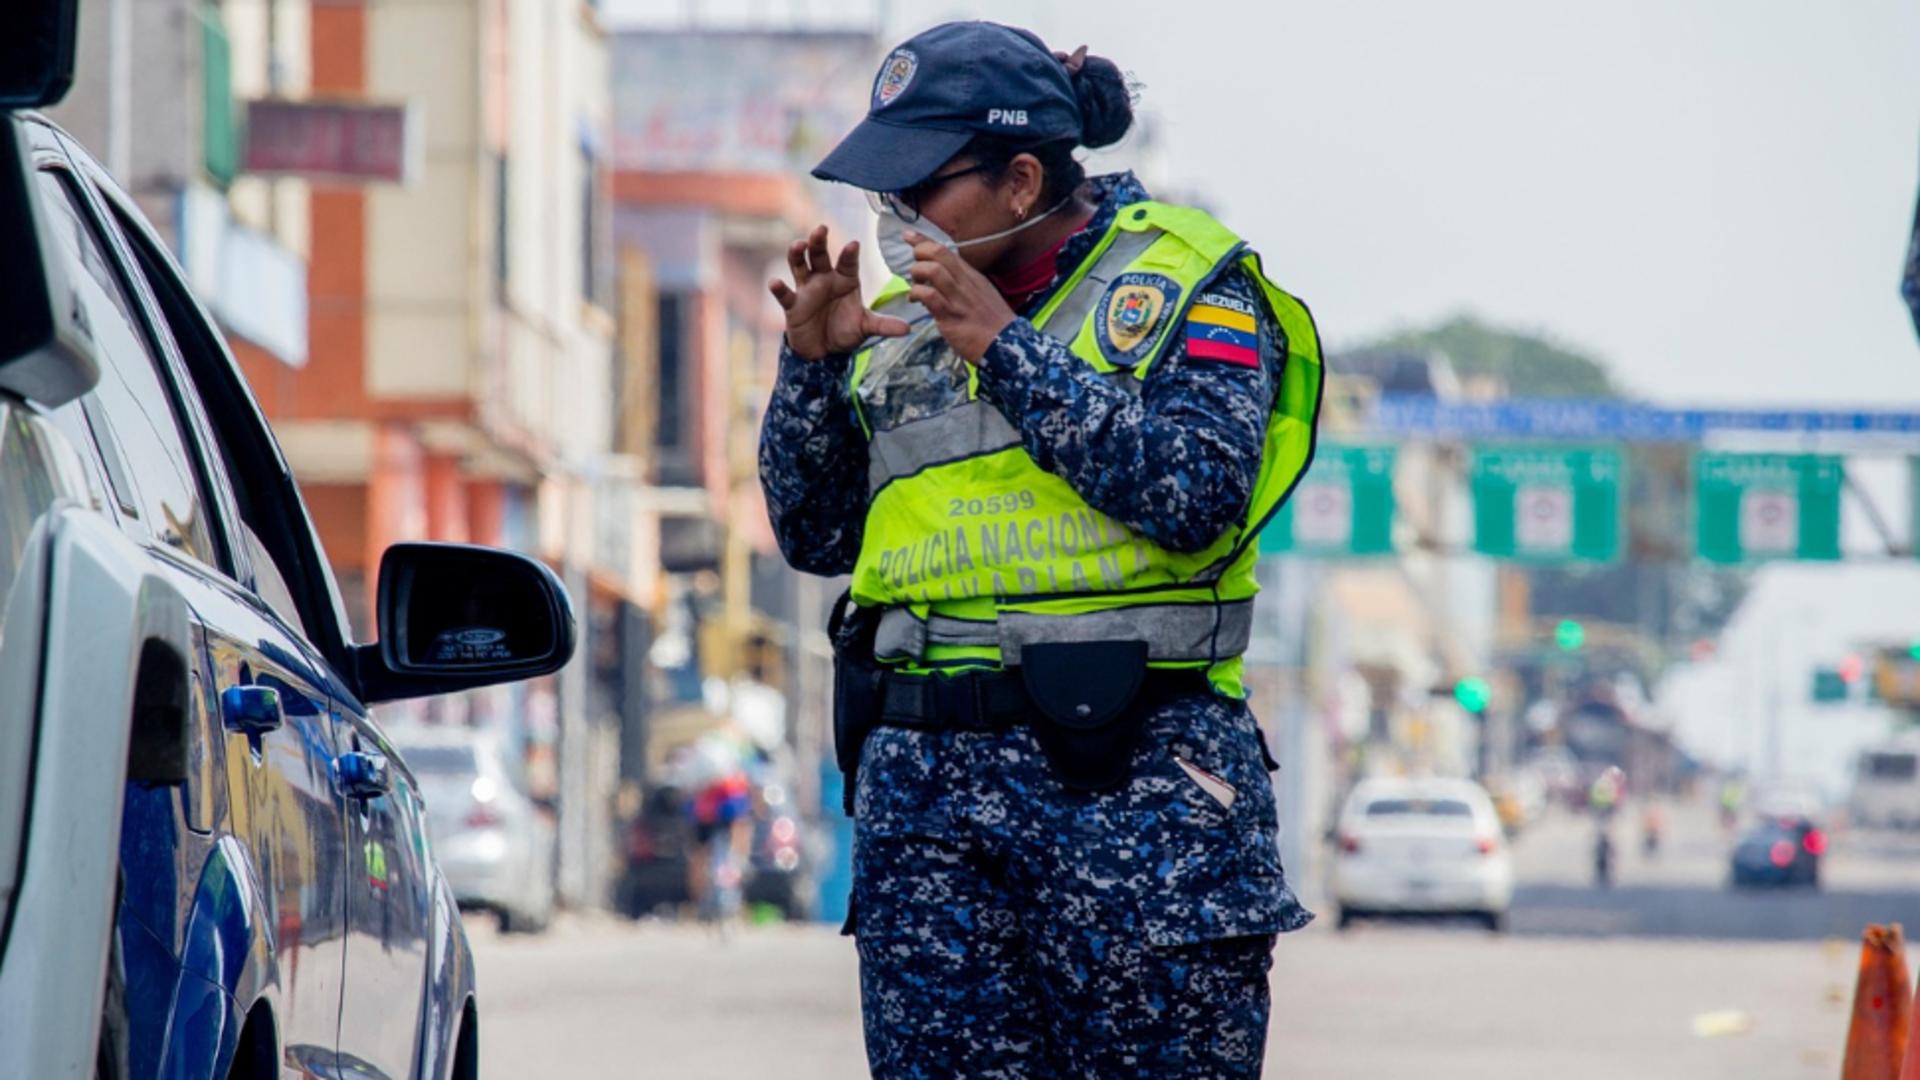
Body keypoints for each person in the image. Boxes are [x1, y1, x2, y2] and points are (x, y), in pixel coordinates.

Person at [758, 21, 1322, 1077]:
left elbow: (1197, 494)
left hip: (1137, 791)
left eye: (920, 187)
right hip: (929, 809)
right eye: (885, 193)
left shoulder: (1186, 280)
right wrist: (813, 376)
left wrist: (1008, 351)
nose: (897, 217)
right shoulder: (900, 327)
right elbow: (816, 534)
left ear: (1021, 180)